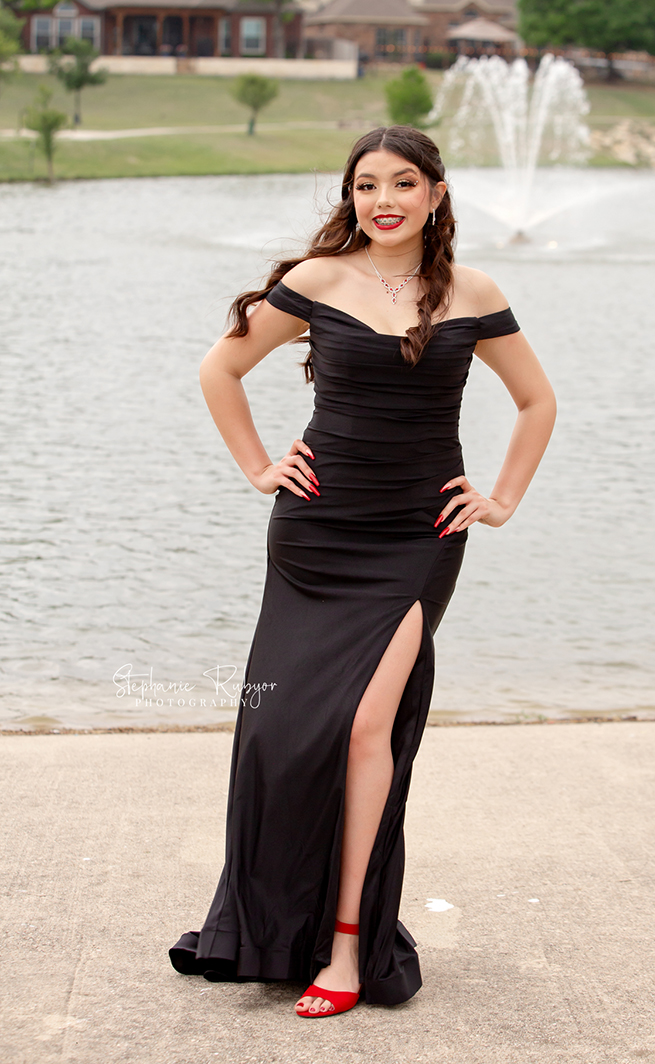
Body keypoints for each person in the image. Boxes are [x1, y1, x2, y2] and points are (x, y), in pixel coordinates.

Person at [169, 125, 556, 1017]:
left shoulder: (472, 290)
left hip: (418, 537)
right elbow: (219, 368)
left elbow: (537, 400)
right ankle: (276, 928)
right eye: (367, 185)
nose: (384, 200)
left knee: (364, 727)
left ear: (437, 194)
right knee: (281, 735)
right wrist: (260, 465)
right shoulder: (314, 283)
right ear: (351, 196)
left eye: (403, 184)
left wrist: (501, 497)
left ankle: (347, 948)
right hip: (316, 533)